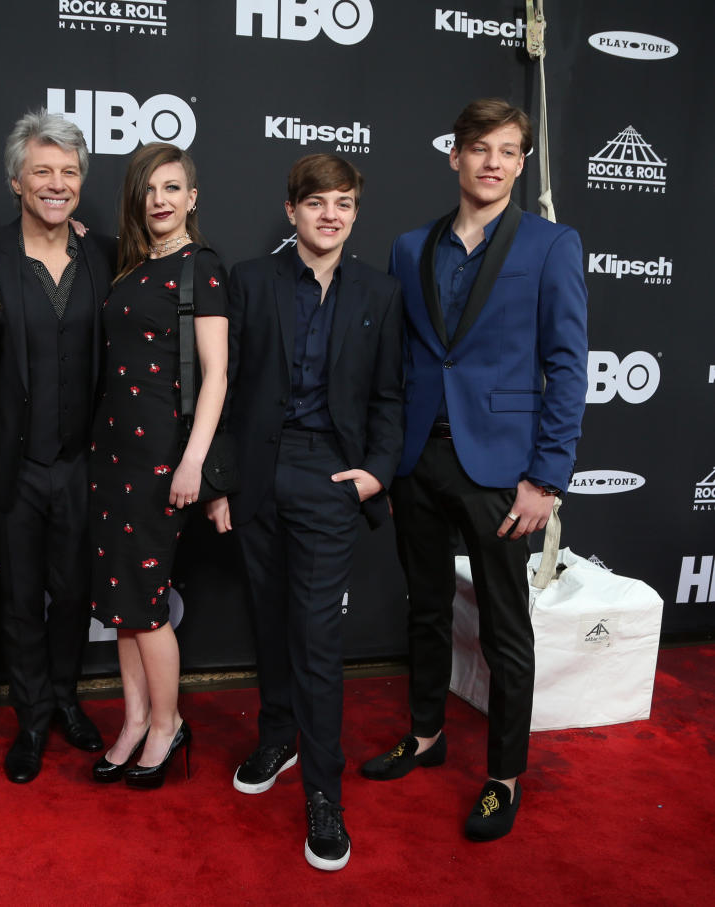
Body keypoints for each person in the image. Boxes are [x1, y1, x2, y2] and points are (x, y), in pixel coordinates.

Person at [361, 98, 588, 842]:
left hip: (501, 468)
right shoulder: (407, 247)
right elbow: (399, 364)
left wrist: (545, 479)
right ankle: (426, 735)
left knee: (504, 628)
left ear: (523, 164)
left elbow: (567, 365)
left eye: (509, 151)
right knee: (425, 608)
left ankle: (504, 775)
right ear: (453, 155)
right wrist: (391, 462)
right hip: (419, 461)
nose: (494, 162)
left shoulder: (553, 247)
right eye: (480, 148)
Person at [207, 154, 403, 872]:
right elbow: (221, 390)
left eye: (343, 203)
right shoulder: (252, 280)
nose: (330, 214)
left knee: (317, 638)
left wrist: (374, 474)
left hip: (332, 476)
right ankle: (277, 733)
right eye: (315, 201)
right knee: (268, 615)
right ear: (290, 210)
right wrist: (221, 484)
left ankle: (325, 794)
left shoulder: (380, 292)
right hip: (258, 475)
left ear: (355, 212)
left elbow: (389, 397)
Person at [88, 142, 228, 789]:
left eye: (173, 187)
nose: (162, 199)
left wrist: (194, 461)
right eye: (150, 189)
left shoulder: (201, 268)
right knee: (122, 602)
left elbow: (217, 374)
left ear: (193, 198)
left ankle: (168, 723)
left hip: (162, 460)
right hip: (111, 456)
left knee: (145, 602)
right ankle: (135, 718)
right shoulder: (130, 268)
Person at [0, 112, 117, 783]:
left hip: (82, 463)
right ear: (16, 180)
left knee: (72, 595)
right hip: (13, 467)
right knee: (20, 599)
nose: (57, 183)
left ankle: (66, 699)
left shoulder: (105, 255)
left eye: (69, 172)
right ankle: (31, 717)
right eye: (43, 170)